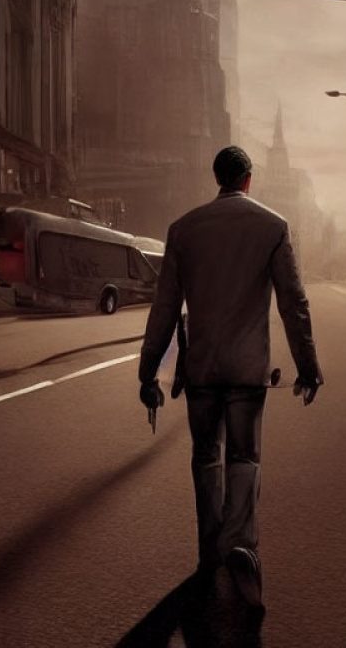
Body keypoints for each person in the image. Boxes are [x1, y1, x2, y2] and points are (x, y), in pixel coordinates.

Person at [138, 145, 324, 615]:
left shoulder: (183, 230)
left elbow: (164, 310)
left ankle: (209, 550)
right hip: (247, 371)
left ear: (217, 177)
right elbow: (293, 304)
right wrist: (308, 367)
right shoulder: (273, 227)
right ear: (248, 179)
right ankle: (242, 542)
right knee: (245, 455)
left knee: (206, 457)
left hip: (200, 370)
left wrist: (148, 373)